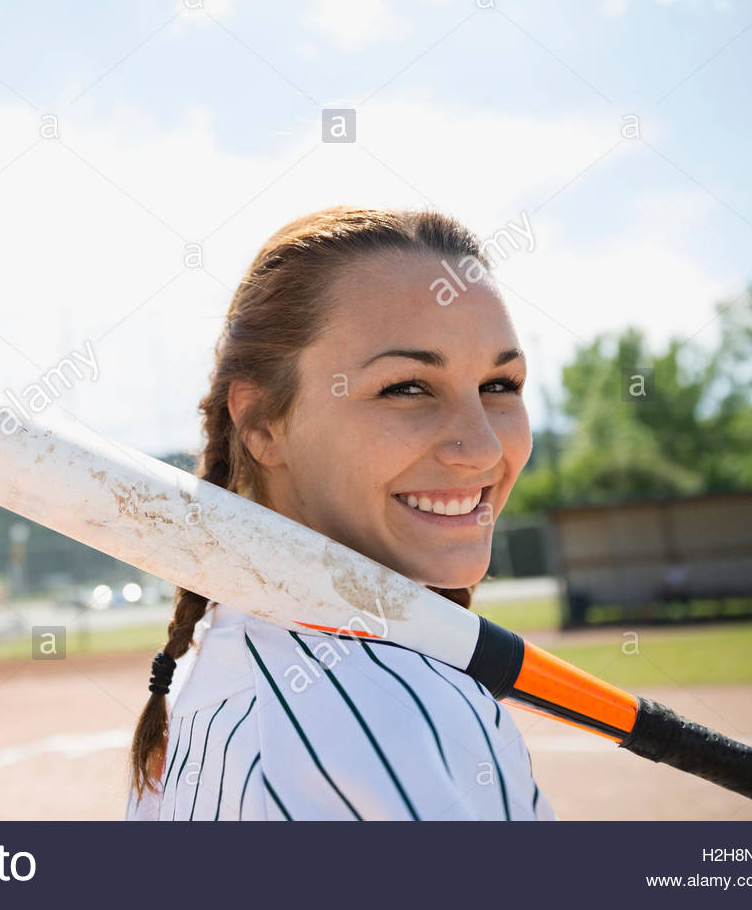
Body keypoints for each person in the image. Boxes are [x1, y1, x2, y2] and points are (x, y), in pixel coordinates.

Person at [125, 206, 555, 821]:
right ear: (263, 425)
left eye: (500, 385)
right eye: (406, 387)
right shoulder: (399, 712)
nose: (484, 448)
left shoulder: (223, 648)